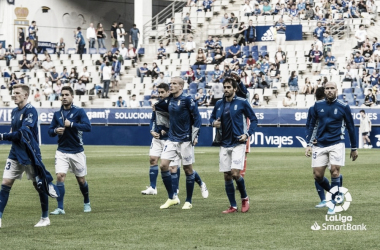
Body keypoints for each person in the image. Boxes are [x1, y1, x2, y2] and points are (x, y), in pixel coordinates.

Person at [0, 84, 60, 228]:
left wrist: (3, 136)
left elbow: (22, 133)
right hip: (14, 153)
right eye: (13, 93)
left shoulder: (31, 111)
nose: (14, 95)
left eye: (17, 93)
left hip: (29, 153)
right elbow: (14, 131)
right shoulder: (14, 111)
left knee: (38, 185)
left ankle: (45, 218)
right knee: (6, 183)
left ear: (26, 95)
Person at [305, 82, 358, 215]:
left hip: (336, 142)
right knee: (317, 176)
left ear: (336, 90)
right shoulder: (317, 106)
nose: (329, 91)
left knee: (334, 171)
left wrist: (354, 147)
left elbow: (351, 127)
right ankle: (335, 191)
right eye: (327, 88)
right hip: (320, 144)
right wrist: (309, 144)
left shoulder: (344, 107)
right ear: (324, 91)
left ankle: (333, 201)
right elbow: (312, 125)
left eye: (332, 88)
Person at [210, 77, 258, 213]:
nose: (226, 89)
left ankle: (245, 198)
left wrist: (247, 135)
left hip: (238, 142)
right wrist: (213, 123)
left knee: (235, 173)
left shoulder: (242, 102)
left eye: (229, 87)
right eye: (224, 87)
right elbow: (212, 118)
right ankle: (233, 206)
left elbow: (254, 120)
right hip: (224, 143)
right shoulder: (219, 103)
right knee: (227, 175)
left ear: (235, 89)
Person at [158, 77, 206, 210]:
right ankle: (172, 197)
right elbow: (161, 113)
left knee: (187, 169)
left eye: (174, 84)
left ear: (181, 87)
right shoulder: (168, 100)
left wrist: (195, 136)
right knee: (163, 165)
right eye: (171, 83)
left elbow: (197, 118)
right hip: (172, 139)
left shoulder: (187, 100)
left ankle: (188, 201)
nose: (171, 86)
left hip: (185, 140)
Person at [48, 86, 92, 215]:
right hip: (62, 151)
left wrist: (72, 124)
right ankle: (60, 207)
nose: (64, 97)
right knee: (60, 176)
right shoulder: (57, 114)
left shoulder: (79, 111)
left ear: (72, 96)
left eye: (67, 94)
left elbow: (87, 127)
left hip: (77, 151)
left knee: (81, 180)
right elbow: (50, 131)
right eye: (62, 95)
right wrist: (56, 130)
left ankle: (86, 202)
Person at [142, 83, 181, 196]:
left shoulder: (173, 105)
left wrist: (168, 130)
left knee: (172, 166)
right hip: (158, 137)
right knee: (153, 159)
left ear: (168, 92)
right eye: (158, 92)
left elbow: (177, 122)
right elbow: (153, 119)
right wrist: (152, 130)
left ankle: (175, 188)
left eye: (162, 92)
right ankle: (153, 187)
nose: (160, 94)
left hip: (170, 138)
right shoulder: (158, 105)